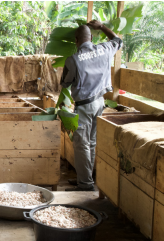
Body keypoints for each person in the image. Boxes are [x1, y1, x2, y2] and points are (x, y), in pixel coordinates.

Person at [61, 20, 123, 191]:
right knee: (92, 142)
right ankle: (87, 177)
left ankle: (85, 183)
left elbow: (65, 83)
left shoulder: (73, 60)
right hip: (100, 103)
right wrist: (102, 27)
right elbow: (118, 40)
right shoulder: (104, 49)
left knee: (81, 144)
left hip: (84, 106)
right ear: (90, 37)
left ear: (76, 40)